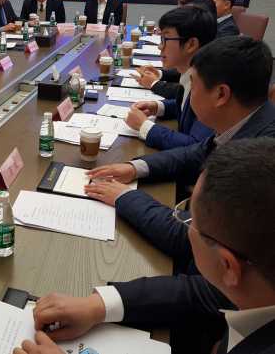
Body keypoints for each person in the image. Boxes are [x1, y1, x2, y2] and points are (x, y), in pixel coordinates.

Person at [15, 138, 275, 354]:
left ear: (228, 266)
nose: (183, 222)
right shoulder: (256, 285)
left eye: (190, 219)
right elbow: (202, 293)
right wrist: (98, 306)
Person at [83, 36, 274, 274]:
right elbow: (197, 153)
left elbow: (192, 240)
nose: (186, 93)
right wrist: (135, 168)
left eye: (192, 85)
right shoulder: (252, 120)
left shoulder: (257, 161)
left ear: (221, 95)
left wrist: (125, 197)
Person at [125, 6, 215, 150]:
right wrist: (158, 107)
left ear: (191, 44)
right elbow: (187, 108)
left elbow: (197, 148)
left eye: (165, 39)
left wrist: (144, 126)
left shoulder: (210, 87)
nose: (160, 46)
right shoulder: (191, 73)